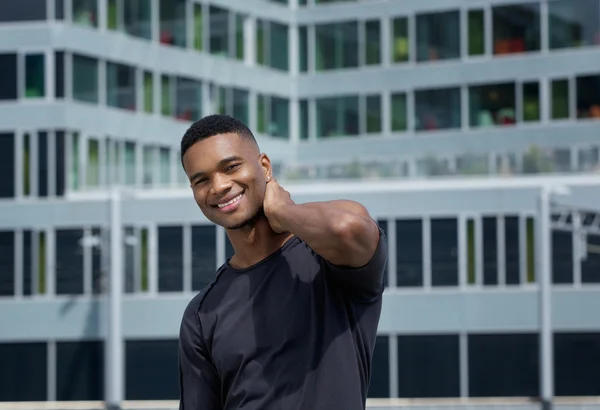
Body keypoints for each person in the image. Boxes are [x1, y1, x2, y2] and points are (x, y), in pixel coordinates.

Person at [178, 114, 388, 410]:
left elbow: (348, 228)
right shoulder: (202, 314)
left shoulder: (326, 260)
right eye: (201, 180)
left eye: (231, 167)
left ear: (264, 166)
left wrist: (283, 211)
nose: (219, 186)